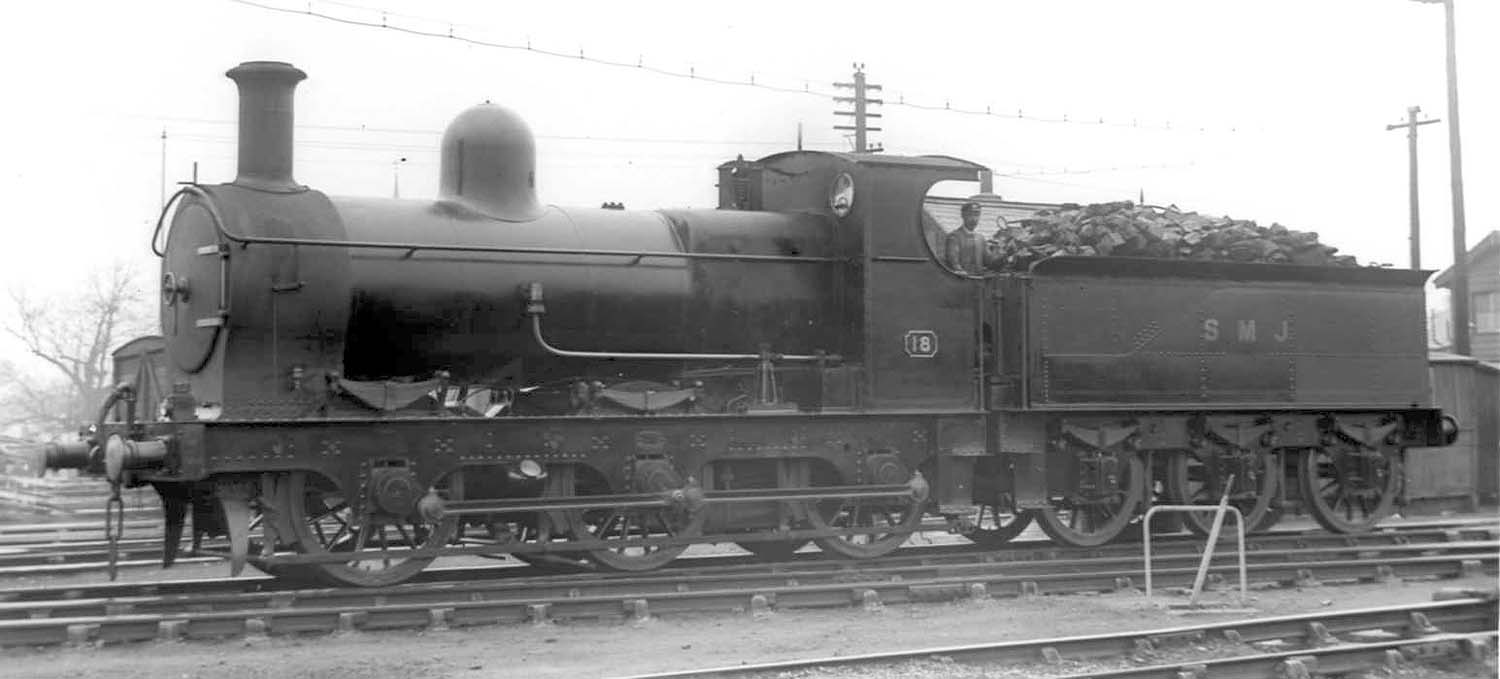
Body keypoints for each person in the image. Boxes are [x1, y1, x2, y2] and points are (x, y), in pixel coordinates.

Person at [944, 201, 987, 273]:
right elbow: (953, 261)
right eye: (970, 214)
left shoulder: (980, 238)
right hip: (961, 281)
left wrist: (1003, 253)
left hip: (979, 282)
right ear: (963, 215)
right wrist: (959, 270)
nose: (974, 219)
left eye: (977, 215)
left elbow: (990, 262)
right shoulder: (954, 237)